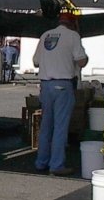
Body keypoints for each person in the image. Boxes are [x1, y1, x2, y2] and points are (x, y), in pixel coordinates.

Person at [32, 12, 88, 175]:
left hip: (45, 85)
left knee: (45, 126)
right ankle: (56, 164)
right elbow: (81, 60)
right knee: (60, 127)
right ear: (73, 23)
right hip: (63, 84)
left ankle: (41, 161)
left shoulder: (45, 35)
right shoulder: (73, 36)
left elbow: (35, 62)